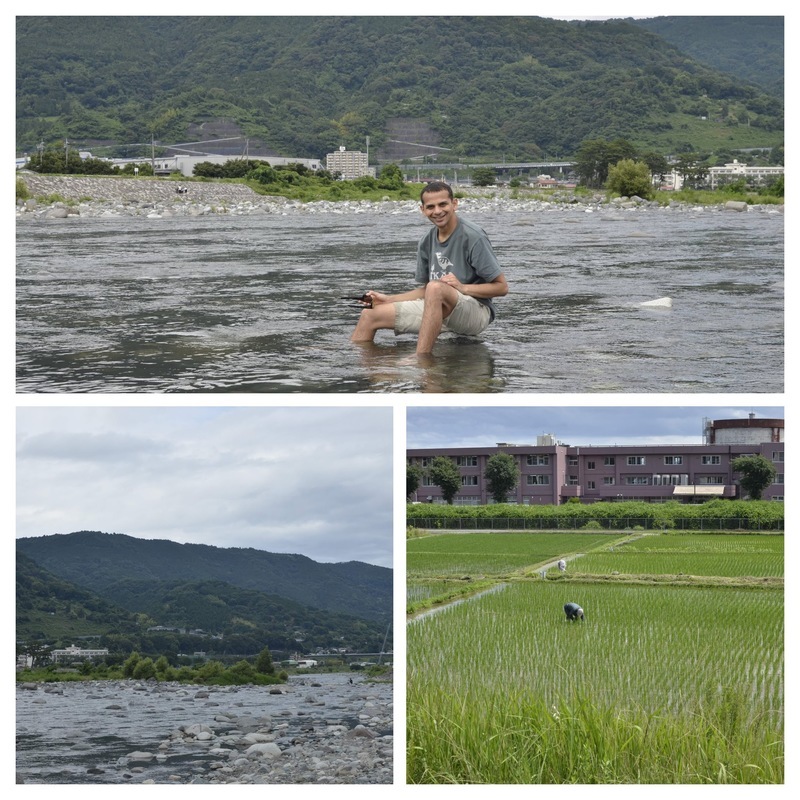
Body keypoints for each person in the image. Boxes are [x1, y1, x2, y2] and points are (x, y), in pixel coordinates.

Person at [350, 181, 508, 355]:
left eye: (443, 204)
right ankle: (358, 366)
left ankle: (422, 359)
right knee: (370, 313)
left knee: (435, 287)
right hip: (439, 308)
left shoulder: (473, 237)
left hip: (476, 312)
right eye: (430, 207)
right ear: (422, 210)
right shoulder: (426, 241)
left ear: (454, 204)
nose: (437, 211)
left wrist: (463, 288)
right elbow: (426, 291)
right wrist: (388, 299)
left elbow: (501, 287)